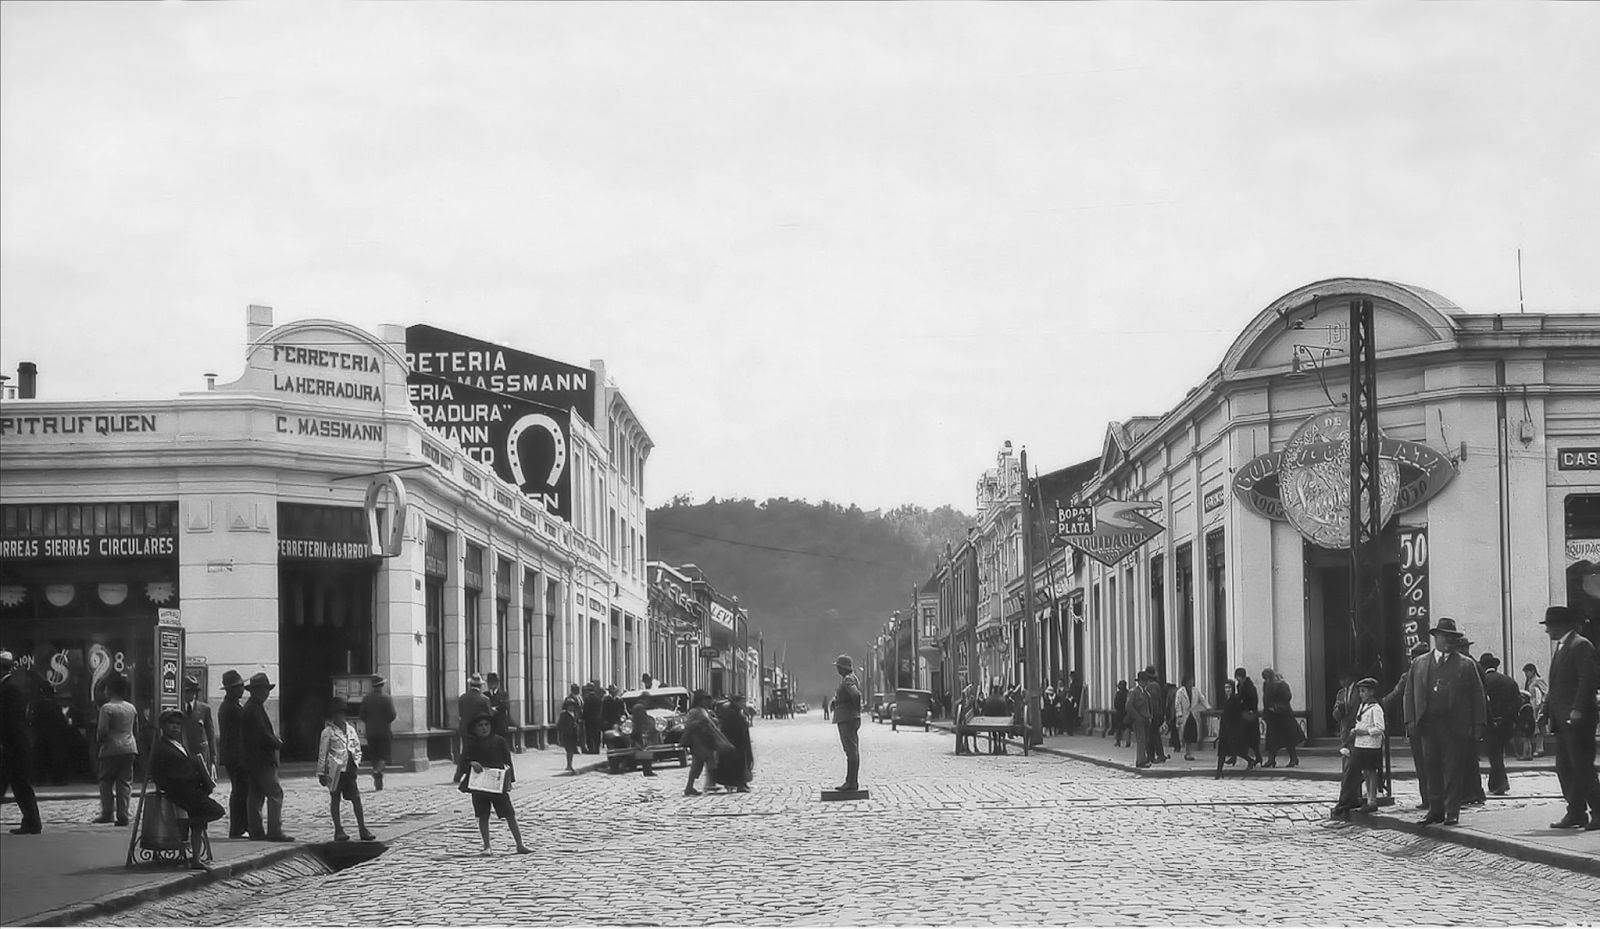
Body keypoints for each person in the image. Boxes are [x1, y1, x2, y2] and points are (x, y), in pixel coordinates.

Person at [1402, 617, 1486, 826]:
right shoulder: (1419, 664)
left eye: (1452, 637)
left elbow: (1477, 695)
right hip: (1428, 725)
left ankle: (1451, 811)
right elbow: (1409, 694)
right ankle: (1435, 809)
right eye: (1445, 636)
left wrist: (1478, 725)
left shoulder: (1466, 665)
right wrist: (1410, 721)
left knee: (1453, 769)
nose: (1449, 640)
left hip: (1454, 726)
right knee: (1430, 768)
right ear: (1435, 637)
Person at [1539, 605, 1600, 830]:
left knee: (1582, 766)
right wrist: (1546, 710)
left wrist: (1577, 709)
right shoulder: (1563, 646)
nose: (1547, 631)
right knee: (1565, 767)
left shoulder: (1581, 645)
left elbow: (1588, 680)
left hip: (1578, 720)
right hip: (1563, 719)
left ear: (1561, 625)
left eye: (1549, 626)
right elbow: (1556, 686)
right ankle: (1575, 812)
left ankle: (1598, 810)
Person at [149, 709, 225, 870]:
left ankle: (196, 856)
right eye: (171, 724)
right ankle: (187, 827)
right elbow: (161, 773)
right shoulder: (162, 747)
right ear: (163, 726)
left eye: (177, 724)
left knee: (202, 817)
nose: (175, 727)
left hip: (191, 789)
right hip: (180, 790)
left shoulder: (179, 744)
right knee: (214, 811)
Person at [455, 713, 531, 855]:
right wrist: (471, 764)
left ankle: (520, 844)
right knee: (483, 815)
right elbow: (463, 763)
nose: (484, 728)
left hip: (497, 783)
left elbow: (507, 761)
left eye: (486, 725)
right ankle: (487, 846)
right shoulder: (472, 744)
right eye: (480, 726)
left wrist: (509, 780)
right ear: (475, 728)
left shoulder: (499, 741)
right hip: (479, 785)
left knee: (509, 813)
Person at [240, 672, 293, 841]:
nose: (266, 693)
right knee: (275, 793)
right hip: (261, 759)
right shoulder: (253, 709)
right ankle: (274, 831)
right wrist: (277, 743)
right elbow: (262, 734)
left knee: (255, 796)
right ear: (256, 691)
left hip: (253, 760)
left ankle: (256, 831)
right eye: (264, 690)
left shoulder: (252, 707)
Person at [317, 697, 376, 843]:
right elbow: (322, 753)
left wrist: (356, 761)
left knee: (356, 798)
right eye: (338, 714)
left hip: (349, 769)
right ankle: (338, 829)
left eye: (343, 714)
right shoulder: (328, 732)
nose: (341, 717)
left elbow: (357, 747)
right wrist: (321, 773)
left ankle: (362, 828)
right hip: (335, 770)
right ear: (333, 716)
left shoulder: (350, 729)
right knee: (335, 798)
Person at [0, 650, 43, 835]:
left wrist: (3, 741)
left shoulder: (9, 689)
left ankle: (33, 822)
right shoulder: (12, 686)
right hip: (13, 744)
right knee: (18, 783)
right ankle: (32, 821)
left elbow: (9, 720)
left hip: (12, 744)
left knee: (20, 784)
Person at [1329, 678, 1385, 820]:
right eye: (1360, 691)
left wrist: (1365, 732)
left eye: (1364, 691)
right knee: (1365, 772)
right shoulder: (1362, 706)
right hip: (1360, 744)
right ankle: (1364, 799)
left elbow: (1380, 728)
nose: (1361, 694)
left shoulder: (1375, 708)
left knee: (1371, 772)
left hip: (1371, 745)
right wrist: (1355, 731)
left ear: (1371, 692)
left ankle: (1372, 800)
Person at [94, 675, 139, 826]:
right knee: (125, 782)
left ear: (110, 690)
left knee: (106, 781)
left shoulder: (106, 708)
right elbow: (136, 729)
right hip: (129, 747)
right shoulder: (131, 708)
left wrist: (99, 743)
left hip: (110, 749)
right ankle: (123, 814)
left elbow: (102, 731)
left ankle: (107, 813)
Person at [1478, 653, 1522, 797]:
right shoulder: (1509, 681)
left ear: (1483, 666)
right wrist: (1508, 718)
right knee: (1497, 753)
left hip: (1491, 724)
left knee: (1494, 754)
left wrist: (1490, 719)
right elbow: (1517, 702)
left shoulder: (1483, 681)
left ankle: (1501, 783)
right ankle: (1495, 783)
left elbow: (1483, 703)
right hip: (1507, 724)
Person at [215, 669, 249, 837]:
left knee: (240, 790)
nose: (242, 689)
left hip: (233, 754)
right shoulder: (232, 708)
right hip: (236, 755)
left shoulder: (231, 705)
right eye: (239, 686)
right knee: (240, 792)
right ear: (230, 689)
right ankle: (238, 827)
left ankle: (240, 826)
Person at [682, 689, 730, 795]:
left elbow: (710, 723)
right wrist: (700, 722)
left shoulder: (705, 711)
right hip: (698, 741)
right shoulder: (694, 711)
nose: (707, 702)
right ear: (700, 700)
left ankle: (709, 784)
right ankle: (695, 786)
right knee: (701, 764)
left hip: (707, 740)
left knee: (708, 762)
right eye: (705, 699)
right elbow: (689, 725)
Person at [831, 655, 863, 791]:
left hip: (847, 718)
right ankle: (850, 781)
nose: (837, 669)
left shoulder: (848, 679)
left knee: (851, 751)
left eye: (838, 666)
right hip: (848, 717)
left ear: (843, 668)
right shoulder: (848, 679)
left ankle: (851, 782)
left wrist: (853, 709)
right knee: (851, 751)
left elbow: (856, 695)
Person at [358, 675, 396, 791]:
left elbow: (362, 715)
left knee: (374, 756)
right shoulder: (386, 698)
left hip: (371, 732)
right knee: (384, 755)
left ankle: (378, 781)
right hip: (384, 731)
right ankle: (377, 771)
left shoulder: (367, 699)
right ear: (382, 685)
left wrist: (370, 722)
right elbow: (392, 714)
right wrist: (385, 721)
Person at [1214, 679, 1257, 777]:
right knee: (1223, 752)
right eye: (1225, 688)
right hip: (1225, 728)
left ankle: (1250, 760)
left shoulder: (1235, 699)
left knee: (1235, 750)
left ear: (1232, 688)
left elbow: (1238, 714)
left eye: (1229, 687)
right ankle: (1219, 772)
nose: (1227, 690)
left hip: (1233, 729)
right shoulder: (1227, 699)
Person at [455, 674, 491, 782]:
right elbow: (489, 715)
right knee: (480, 752)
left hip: (465, 729)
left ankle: (459, 775)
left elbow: (461, 714)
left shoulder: (462, 698)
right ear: (480, 686)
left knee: (466, 751)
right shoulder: (484, 699)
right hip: (479, 730)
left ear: (470, 685)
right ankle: (478, 775)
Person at [715, 694, 753, 792]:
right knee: (737, 765)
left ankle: (741, 783)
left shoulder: (738, 712)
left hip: (740, 742)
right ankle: (739, 784)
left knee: (741, 764)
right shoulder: (731, 713)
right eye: (741, 702)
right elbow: (733, 729)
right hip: (735, 743)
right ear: (736, 703)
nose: (743, 704)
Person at [181, 676, 216, 777]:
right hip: (184, 752)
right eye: (187, 692)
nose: (190, 695)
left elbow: (211, 733)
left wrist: (213, 756)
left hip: (201, 753)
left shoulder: (204, 709)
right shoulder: (178, 708)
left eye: (193, 692)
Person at [1175, 674, 1209, 762]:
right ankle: (1187, 753)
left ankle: (1189, 753)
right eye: (1189, 681)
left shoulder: (1196, 691)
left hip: (1193, 715)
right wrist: (1179, 714)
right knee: (1186, 735)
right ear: (1185, 682)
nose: (1191, 682)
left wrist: (1208, 707)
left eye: (1192, 680)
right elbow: (1177, 704)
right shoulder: (1180, 691)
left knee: (1191, 734)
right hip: (1185, 714)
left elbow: (1202, 699)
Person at [1233, 668, 1263, 767]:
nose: (1238, 680)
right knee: (1249, 739)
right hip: (1244, 716)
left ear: (1241, 677)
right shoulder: (1240, 686)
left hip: (1249, 716)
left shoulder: (1250, 687)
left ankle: (1251, 758)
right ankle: (1257, 757)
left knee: (1246, 739)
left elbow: (1253, 701)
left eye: (1238, 678)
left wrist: (1248, 709)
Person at [1126, 670, 1154, 768]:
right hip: (1139, 720)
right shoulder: (1134, 692)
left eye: (1146, 681)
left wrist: (1150, 716)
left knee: (1145, 740)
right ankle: (1141, 761)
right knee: (1141, 740)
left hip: (1146, 719)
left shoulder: (1146, 693)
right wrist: (1137, 717)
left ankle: (1141, 758)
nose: (1145, 683)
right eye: (1143, 681)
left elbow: (1148, 706)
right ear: (1139, 681)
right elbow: (1129, 706)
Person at [628, 693, 659, 778]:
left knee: (643, 750)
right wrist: (645, 731)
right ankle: (647, 771)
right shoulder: (640, 707)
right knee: (645, 751)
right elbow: (641, 720)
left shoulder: (637, 706)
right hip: (640, 732)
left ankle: (647, 770)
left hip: (638, 731)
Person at [1522, 662, 1550, 758]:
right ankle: (1538, 748)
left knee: (1538, 727)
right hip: (1532, 706)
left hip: (1538, 706)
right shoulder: (1529, 682)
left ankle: (1540, 748)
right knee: (1534, 727)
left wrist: (1543, 705)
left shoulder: (1538, 681)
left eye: (1527, 672)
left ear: (1532, 671)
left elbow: (1546, 693)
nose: (1526, 675)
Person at [557, 683, 582, 774]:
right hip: (567, 733)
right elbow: (560, 725)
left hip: (574, 733)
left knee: (572, 749)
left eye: (572, 705)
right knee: (569, 749)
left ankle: (570, 764)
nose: (571, 707)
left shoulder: (575, 714)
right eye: (570, 705)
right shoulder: (564, 714)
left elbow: (577, 721)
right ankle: (568, 765)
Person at [484, 672, 511, 742]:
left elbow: (505, 706)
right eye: (489, 682)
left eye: (492, 682)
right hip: (489, 727)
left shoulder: (503, 694)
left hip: (501, 726)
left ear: (497, 683)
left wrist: (493, 709)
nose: (490, 684)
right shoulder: (485, 695)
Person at [581, 681, 604, 755]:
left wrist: (583, 718)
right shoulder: (598, 698)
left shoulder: (587, 699)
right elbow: (601, 709)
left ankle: (591, 749)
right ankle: (597, 749)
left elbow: (585, 710)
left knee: (589, 734)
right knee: (596, 734)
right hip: (597, 719)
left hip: (589, 720)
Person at [1064, 671, 1085, 736]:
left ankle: (1072, 728)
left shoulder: (1075, 684)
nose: (1070, 678)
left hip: (1074, 701)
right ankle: (1071, 729)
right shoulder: (1073, 683)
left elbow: (1075, 693)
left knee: (1071, 716)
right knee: (1070, 716)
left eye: (1071, 676)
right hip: (1072, 701)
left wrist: (1075, 701)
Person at [1111, 680, 1131, 748]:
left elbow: (1115, 703)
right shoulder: (1128, 693)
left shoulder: (1118, 694)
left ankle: (1118, 741)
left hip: (1119, 712)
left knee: (1118, 727)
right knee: (1127, 727)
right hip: (1127, 712)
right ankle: (1128, 741)